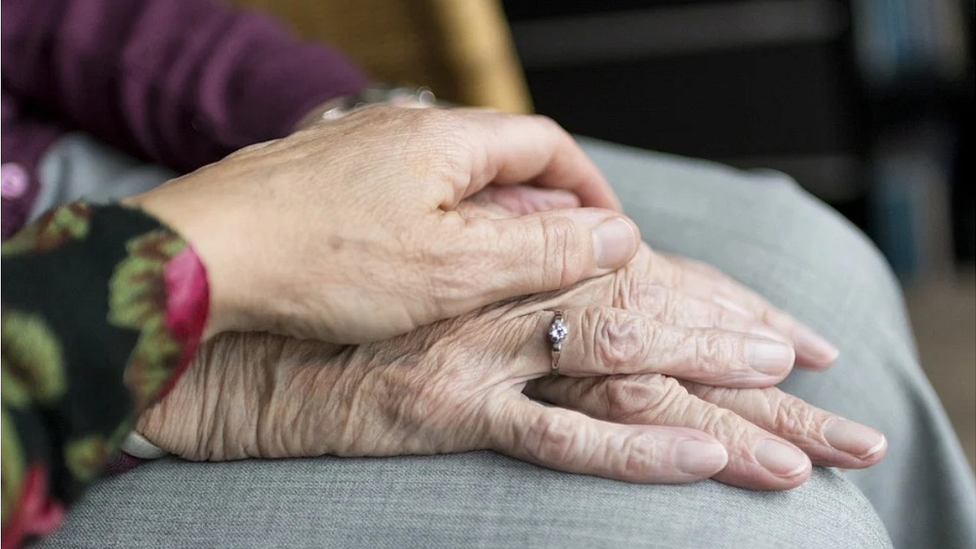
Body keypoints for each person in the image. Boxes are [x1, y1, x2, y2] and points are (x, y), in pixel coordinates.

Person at [1, 1, 973, 548]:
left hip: (78, 171)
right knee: (745, 529)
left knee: (808, 272)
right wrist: (208, 363)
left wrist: (354, 139)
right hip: (40, 405)